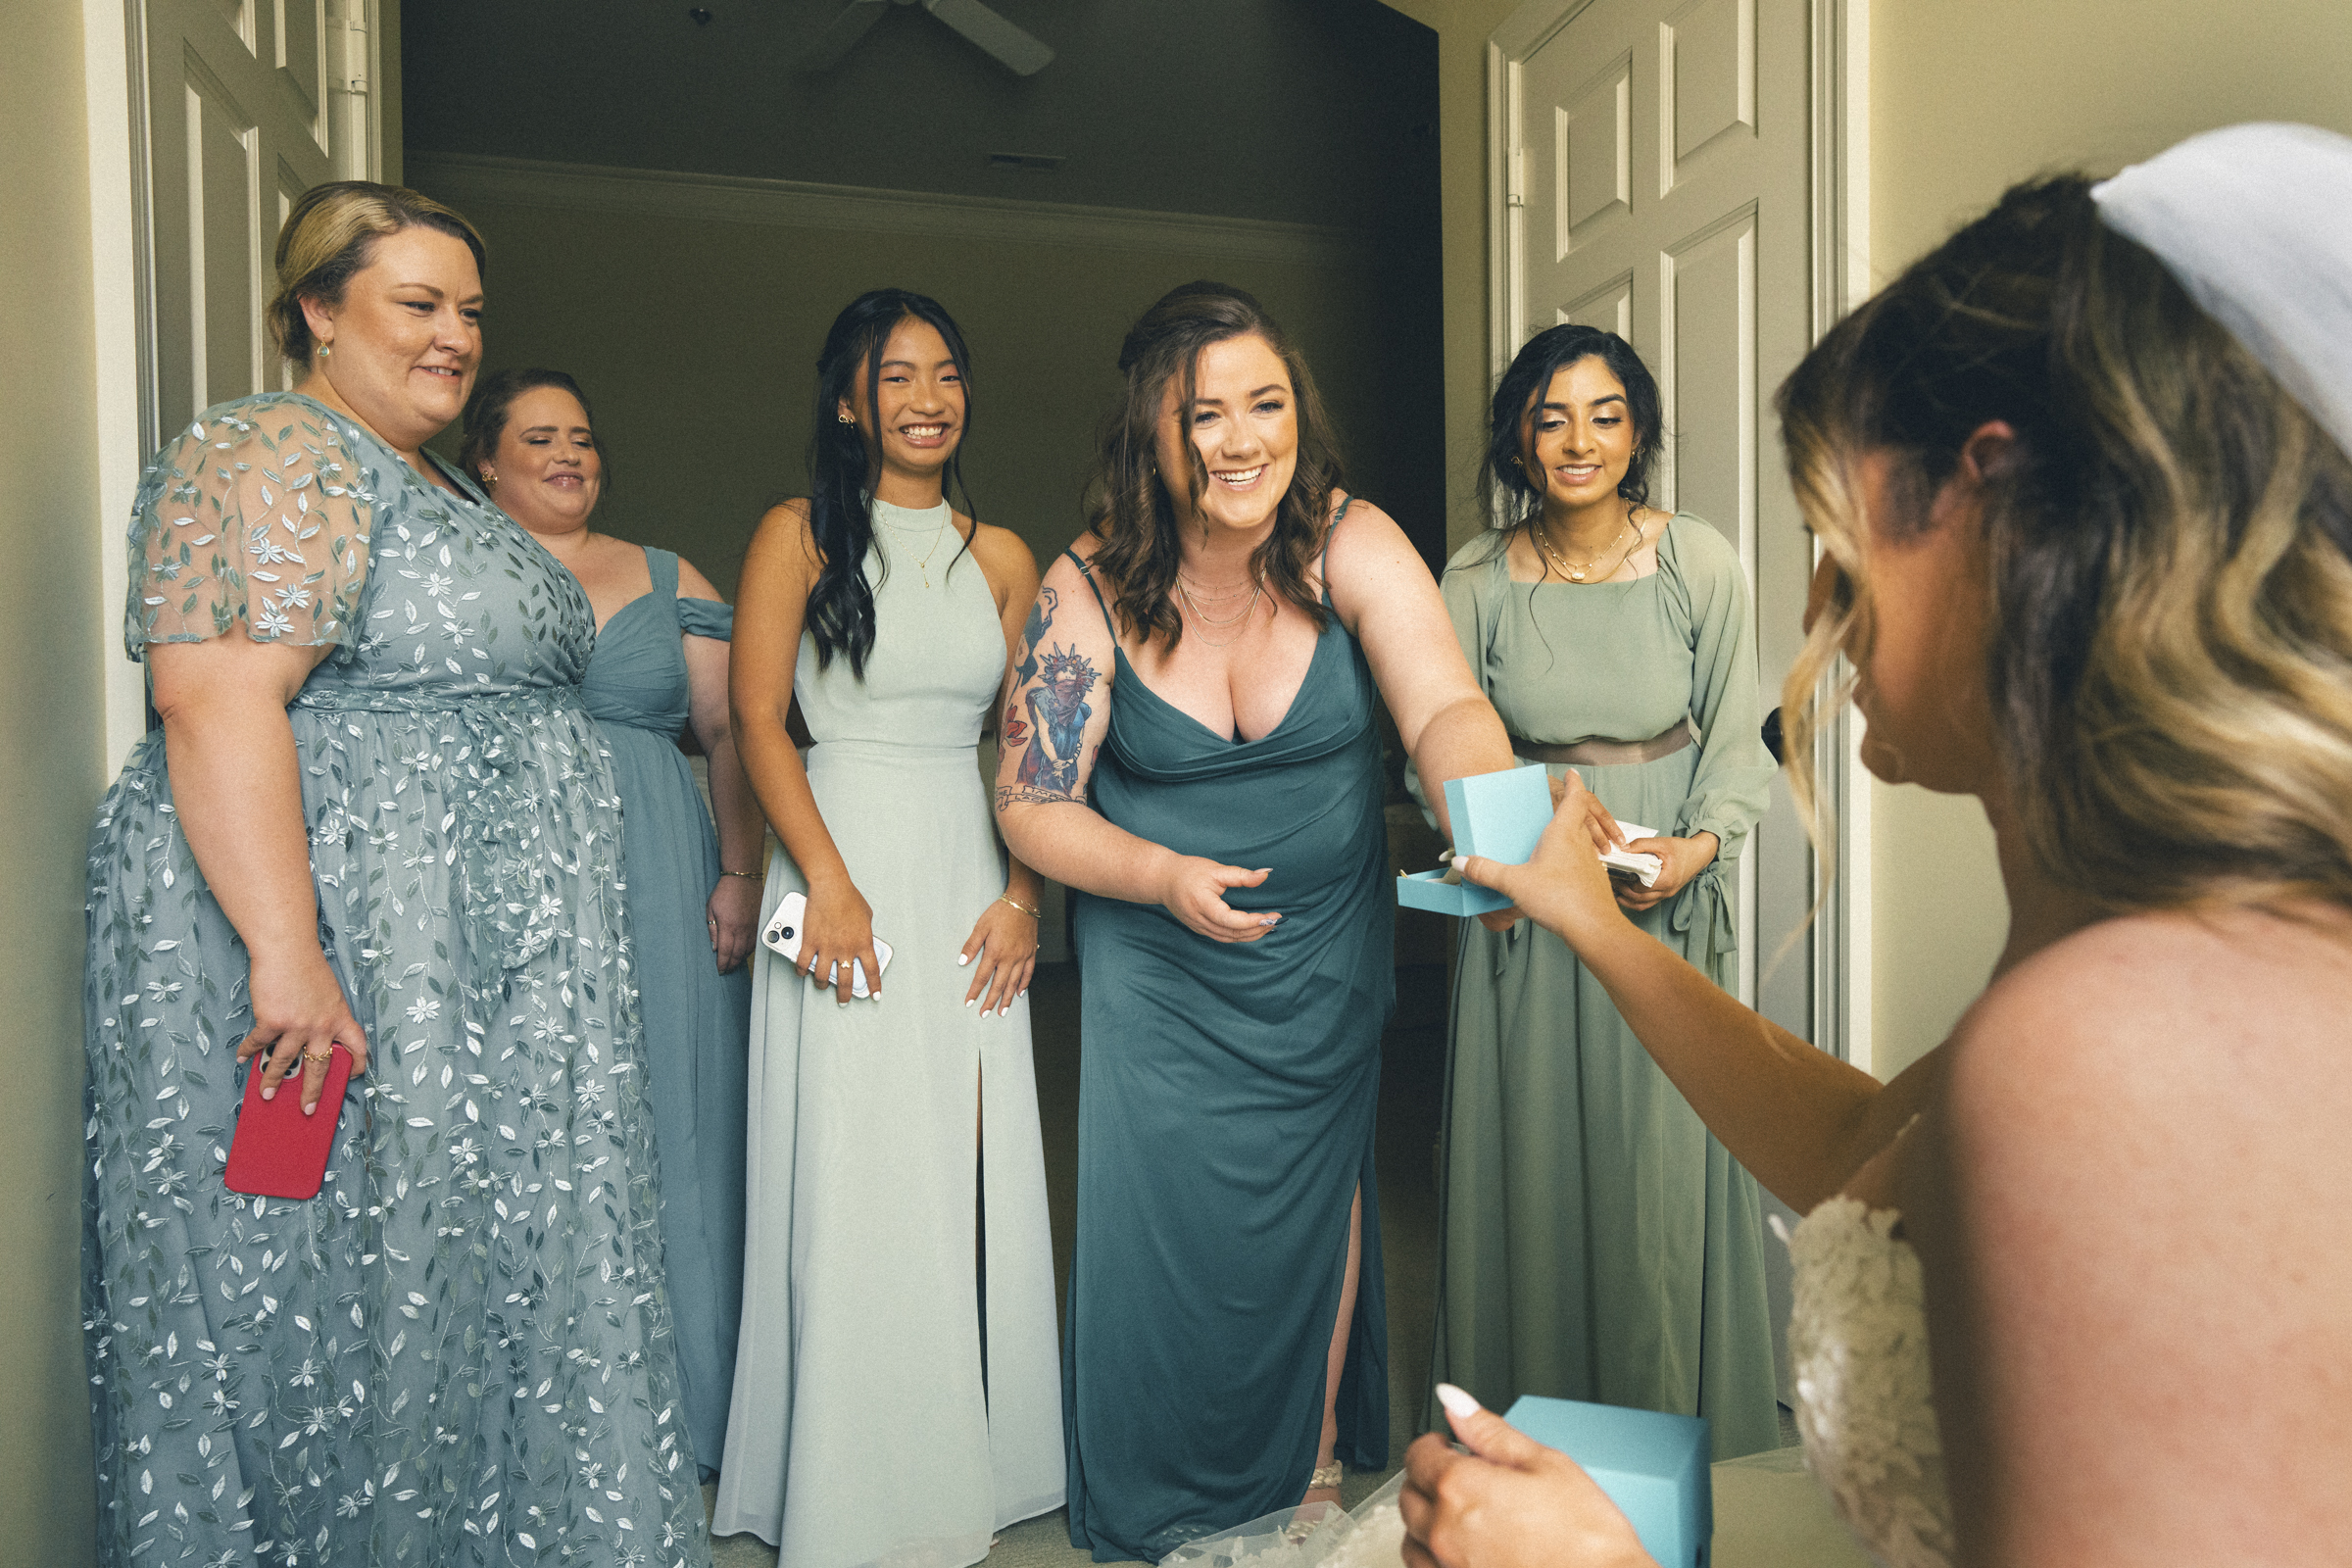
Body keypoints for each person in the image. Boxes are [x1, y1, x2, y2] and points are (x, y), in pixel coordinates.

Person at [1399, 123, 2352, 1567]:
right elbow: (1863, 1140)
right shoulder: (2135, 924)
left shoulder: (2117, 1041)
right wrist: (1594, 923)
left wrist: (1593, 1560)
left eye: (1837, 535)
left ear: (1991, 514)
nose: (1812, 611)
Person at [82, 182, 711, 1566]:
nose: (454, 338)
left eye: (470, 311)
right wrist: (288, 955)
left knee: (452, 1282)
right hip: (359, 947)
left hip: (468, 970)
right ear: (318, 309)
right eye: (417, 304)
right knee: (335, 1287)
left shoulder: (429, 479)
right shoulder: (273, 450)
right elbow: (215, 698)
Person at [992, 281, 1522, 1559]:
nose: (1240, 440)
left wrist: (1496, 822)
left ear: (1300, 415)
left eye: (1265, 404)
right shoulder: (1089, 589)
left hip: (1317, 959)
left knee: (1312, 1205)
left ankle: (1315, 1465)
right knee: (1168, 1230)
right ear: (1151, 435)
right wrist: (1160, 876)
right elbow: (1031, 801)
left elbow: (1442, 705)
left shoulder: (1351, 540)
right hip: (1156, 966)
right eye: (1204, 413)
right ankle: (1172, 1481)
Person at [713, 289, 1064, 1566]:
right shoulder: (795, 534)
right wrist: (827, 880)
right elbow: (758, 721)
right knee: (851, 1160)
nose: (928, 398)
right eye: (896, 375)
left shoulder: (1008, 555)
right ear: (849, 400)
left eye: (947, 373)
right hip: (834, 860)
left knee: (962, 1159)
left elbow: (1036, 753)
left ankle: (976, 1458)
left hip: (969, 864)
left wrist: (1026, 899)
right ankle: (846, 1485)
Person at [1414, 324, 1779, 1458]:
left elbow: (1735, 729)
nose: (1579, 440)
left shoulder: (1698, 561)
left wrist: (1695, 850)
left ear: (1640, 433)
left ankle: (1663, 1429)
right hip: (1528, 896)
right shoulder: (1471, 577)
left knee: (1656, 1173)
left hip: (1663, 894)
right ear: (1518, 437)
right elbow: (1436, 739)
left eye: (1606, 414)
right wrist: (1517, 853)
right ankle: (1532, 1436)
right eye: (1552, 415)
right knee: (1531, 1166)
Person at [458, 368, 762, 1478]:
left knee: (671, 1103)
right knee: (524, 1114)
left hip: (657, 858)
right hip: (505, 869)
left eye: (583, 436)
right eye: (539, 437)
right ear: (484, 458)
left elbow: (731, 731)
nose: (570, 454)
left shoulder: (669, 575)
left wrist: (737, 872)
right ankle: (540, 1410)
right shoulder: (454, 569)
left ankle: (692, 1396)